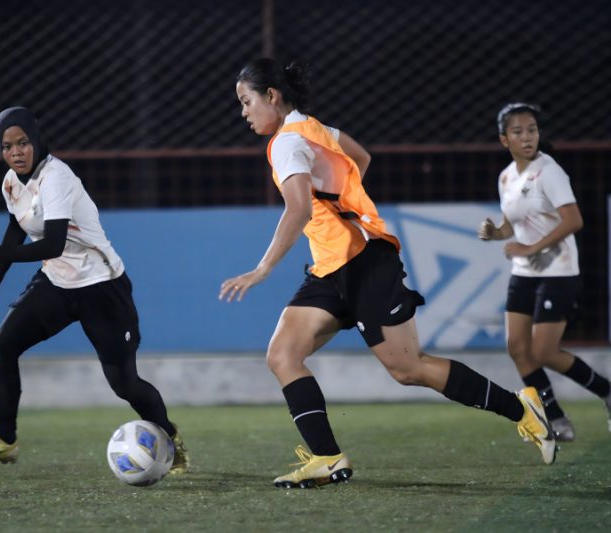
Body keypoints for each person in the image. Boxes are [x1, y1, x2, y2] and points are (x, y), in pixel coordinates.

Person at [220, 58, 556, 489]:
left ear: (272, 96)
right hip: (331, 268)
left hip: (363, 264)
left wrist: (262, 268)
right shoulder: (315, 128)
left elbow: (298, 207)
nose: (244, 112)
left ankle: (522, 409)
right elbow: (361, 156)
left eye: (247, 101)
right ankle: (327, 458)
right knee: (283, 355)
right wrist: (346, 203)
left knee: (409, 369)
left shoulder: (286, 142)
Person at [0, 106, 188, 473]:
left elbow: (53, 244)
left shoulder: (57, 177)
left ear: (37, 140)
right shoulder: (11, 182)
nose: (16, 152)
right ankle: (4, 440)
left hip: (102, 287)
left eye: (23, 143)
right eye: (6, 146)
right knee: (4, 346)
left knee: (124, 383)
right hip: (58, 284)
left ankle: (170, 439)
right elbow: (17, 228)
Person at [478, 102, 611, 441]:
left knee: (543, 352)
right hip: (524, 273)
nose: (527, 137)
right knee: (517, 348)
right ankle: (556, 419)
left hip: (558, 272)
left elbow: (573, 220)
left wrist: (529, 248)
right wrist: (496, 234)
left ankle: (607, 391)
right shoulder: (506, 176)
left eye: (532, 130)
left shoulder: (549, 171)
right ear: (504, 139)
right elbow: (513, 226)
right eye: (518, 132)